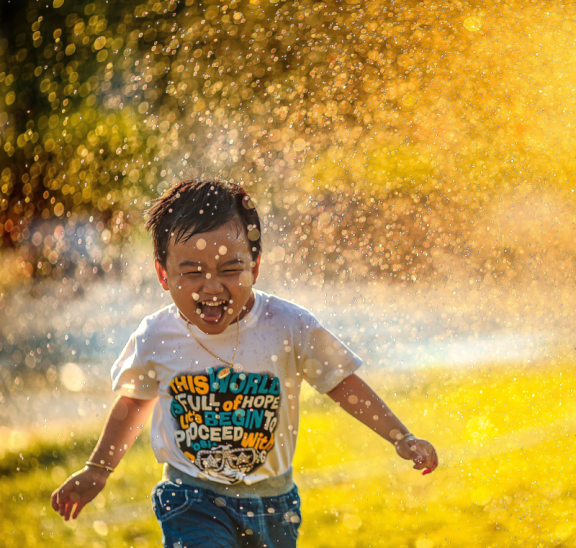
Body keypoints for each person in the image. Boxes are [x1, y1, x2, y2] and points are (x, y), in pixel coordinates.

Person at [51, 179, 438, 548]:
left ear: (255, 267)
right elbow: (134, 402)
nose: (211, 287)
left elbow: (341, 381)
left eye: (229, 270)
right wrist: (98, 469)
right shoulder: (157, 336)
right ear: (163, 275)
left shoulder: (287, 325)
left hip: (273, 504)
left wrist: (401, 436)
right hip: (190, 496)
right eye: (191, 272)